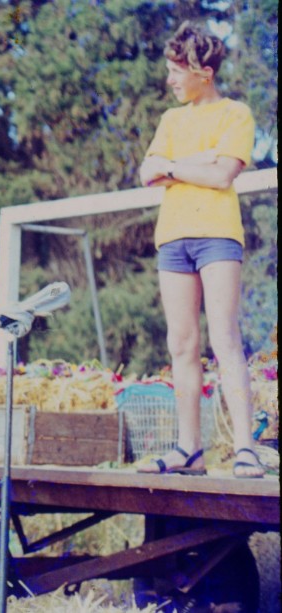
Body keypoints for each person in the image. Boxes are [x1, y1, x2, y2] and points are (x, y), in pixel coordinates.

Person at [137, 21, 264, 478]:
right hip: (172, 239)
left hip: (217, 235)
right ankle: (188, 449)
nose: (170, 79)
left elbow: (222, 176)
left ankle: (245, 448)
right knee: (182, 343)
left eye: (177, 71)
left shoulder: (236, 114)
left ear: (203, 72)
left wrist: (176, 167)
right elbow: (147, 172)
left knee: (224, 338)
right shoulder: (171, 119)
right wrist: (193, 161)